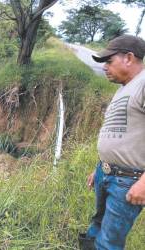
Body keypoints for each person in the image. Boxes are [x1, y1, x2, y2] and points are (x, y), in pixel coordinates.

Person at [79, 34, 145, 250]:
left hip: (127, 180)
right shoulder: (123, 89)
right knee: (96, 225)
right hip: (106, 174)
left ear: (128, 57)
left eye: (109, 61)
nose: (105, 67)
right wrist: (100, 168)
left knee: (109, 242)